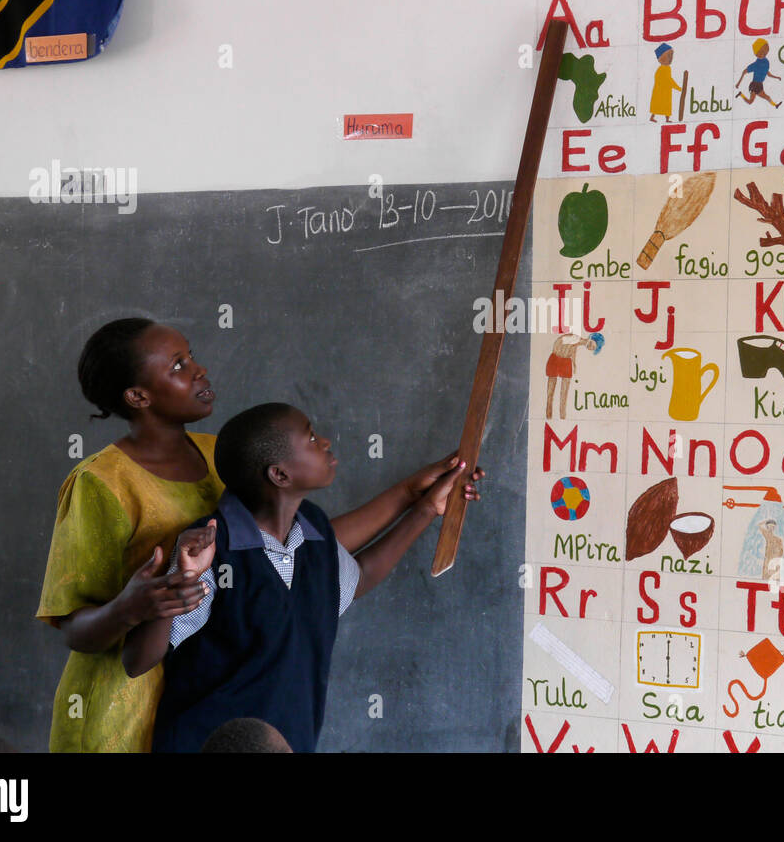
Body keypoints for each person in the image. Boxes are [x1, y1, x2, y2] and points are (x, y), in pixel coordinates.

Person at [124, 402, 483, 752]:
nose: (325, 442)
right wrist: (177, 586)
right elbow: (138, 660)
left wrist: (424, 508)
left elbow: (356, 578)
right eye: (311, 438)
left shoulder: (313, 530)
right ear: (279, 474)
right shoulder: (211, 547)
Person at [36, 318, 221, 752]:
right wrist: (129, 607)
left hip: (198, 703)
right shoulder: (101, 482)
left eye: (191, 356)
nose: (199, 370)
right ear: (138, 397)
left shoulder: (221, 457)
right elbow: (74, 629)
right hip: (115, 716)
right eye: (178, 366)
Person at [736, 38, 782, 108]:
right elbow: (744, 71)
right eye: (760, 52)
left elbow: (768, 73)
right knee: (750, 102)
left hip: (760, 85)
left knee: (767, 97)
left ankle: (775, 105)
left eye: (765, 50)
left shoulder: (766, 62)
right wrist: (738, 83)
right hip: (754, 85)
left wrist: (776, 77)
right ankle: (741, 94)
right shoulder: (756, 64)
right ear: (757, 53)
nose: (763, 53)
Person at [648, 43, 682, 122]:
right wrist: (678, 88)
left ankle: (666, 118)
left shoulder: (667, 68)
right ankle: (653, 117)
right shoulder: (662, 69)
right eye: (668, 56)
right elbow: (669, 80)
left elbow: (669, 80)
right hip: (661, 90)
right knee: (659, 105)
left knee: (666, 105)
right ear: (661, 58)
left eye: (671, 56)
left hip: (665, 90)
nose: (670, 59)